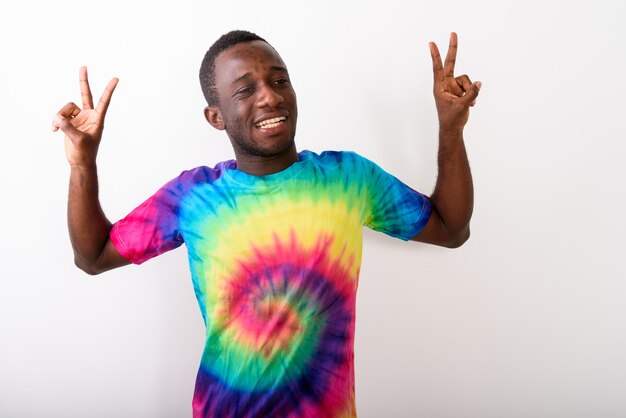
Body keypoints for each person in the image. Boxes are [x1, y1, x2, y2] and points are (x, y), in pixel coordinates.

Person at [52, 30, 480, 418]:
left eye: (279, 81)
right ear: (216, 117)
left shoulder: (350, 178)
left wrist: (451, 128)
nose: (270, 97)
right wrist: (83, 163)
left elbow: (450, 228)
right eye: (246, 90)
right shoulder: (194, 197)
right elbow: (93, 256)